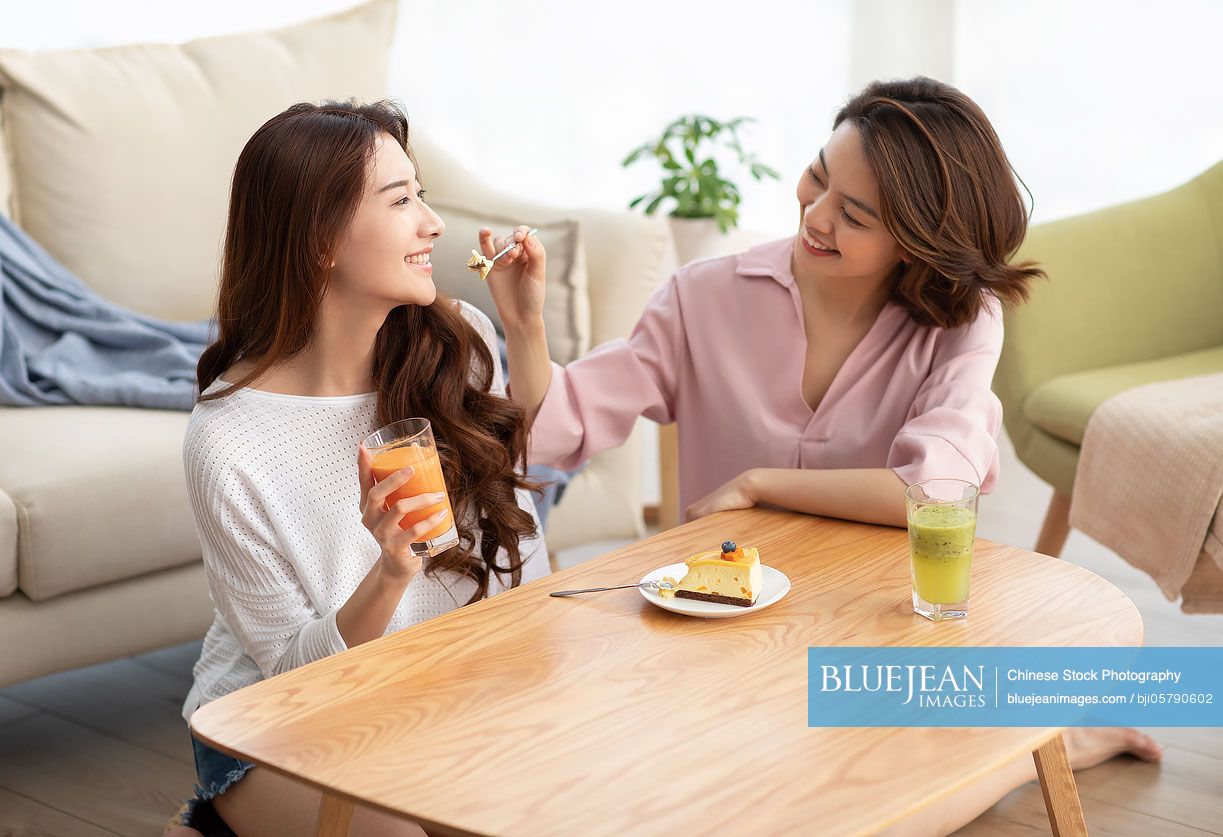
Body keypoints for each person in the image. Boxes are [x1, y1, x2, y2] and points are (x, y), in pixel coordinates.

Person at [480, 77, 1161, 835]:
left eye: (856, 213)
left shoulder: (960, 323)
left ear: (917, 238)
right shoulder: (705, 296)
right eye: (818, 175)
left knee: (869, 817)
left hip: (876, 626)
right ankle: (1034, 735)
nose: (816, 213)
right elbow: (556, 430)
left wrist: (761, 483)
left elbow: (933, 489)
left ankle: (1046, 740)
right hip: (719, 633)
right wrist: (525, 325)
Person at [168, 100, 548, 837]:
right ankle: (214, 816)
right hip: (275, 724)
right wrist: (390, 572)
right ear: (319, 242)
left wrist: (525, 326)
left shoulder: (456, 339)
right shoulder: (229, 438)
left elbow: (512, 484)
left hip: (447, 688)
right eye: (401, 201)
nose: (431, 224)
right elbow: (287, 676)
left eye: (422, 196)